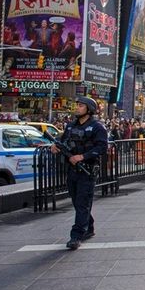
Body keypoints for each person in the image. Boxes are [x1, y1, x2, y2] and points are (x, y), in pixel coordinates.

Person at [51, 97, 108, 250]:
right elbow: (62, 142)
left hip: (87, 170)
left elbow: (102, 147)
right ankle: (88, 226)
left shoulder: (97, 127)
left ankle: (76, 236)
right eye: (77, 105)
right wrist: (55, 147)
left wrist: (83, 157)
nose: (77, 108)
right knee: (77, 202)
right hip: (72, 171)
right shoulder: (70, 127)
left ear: (89, 109)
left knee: (82, 202)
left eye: (81, 105)